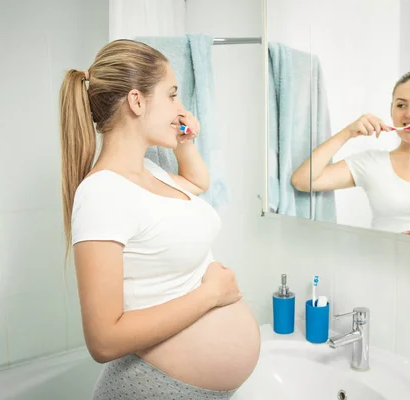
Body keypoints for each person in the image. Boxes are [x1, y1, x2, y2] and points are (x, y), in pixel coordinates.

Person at [59, 39, 260, 399]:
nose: (181, 109)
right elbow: (103, 341)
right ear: (137, 101)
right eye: (172, 96)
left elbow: (197, 182)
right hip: (154, 388)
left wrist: (184, 141)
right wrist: (212, 295)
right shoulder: (102, 193)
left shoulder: (151, 171)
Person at [291, 69, 410, 243]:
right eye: (401, 105)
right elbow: (303, 180)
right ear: (392, 111)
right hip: (384, 268)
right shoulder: (372, 163)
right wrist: (347, 132)